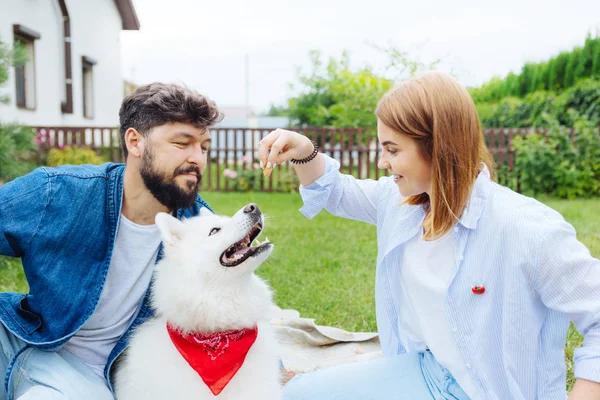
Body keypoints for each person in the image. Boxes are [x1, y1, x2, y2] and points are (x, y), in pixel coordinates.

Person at [257, 71, 600, 400]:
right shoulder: (401, 204)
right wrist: (303, 149)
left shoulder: (528, 229)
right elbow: (335, 191)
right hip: (427, 372)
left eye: (392, 150)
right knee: (296, 395)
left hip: (492, 390)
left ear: (439, 147)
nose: (382, 163)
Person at [0, 83, 222, 399]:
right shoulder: (59, 194)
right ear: (135, 142)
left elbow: (227, 304)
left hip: (87, 375)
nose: (197, 158)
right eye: (181, 143)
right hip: (19, 337)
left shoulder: (198, 229)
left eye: (203, 147)